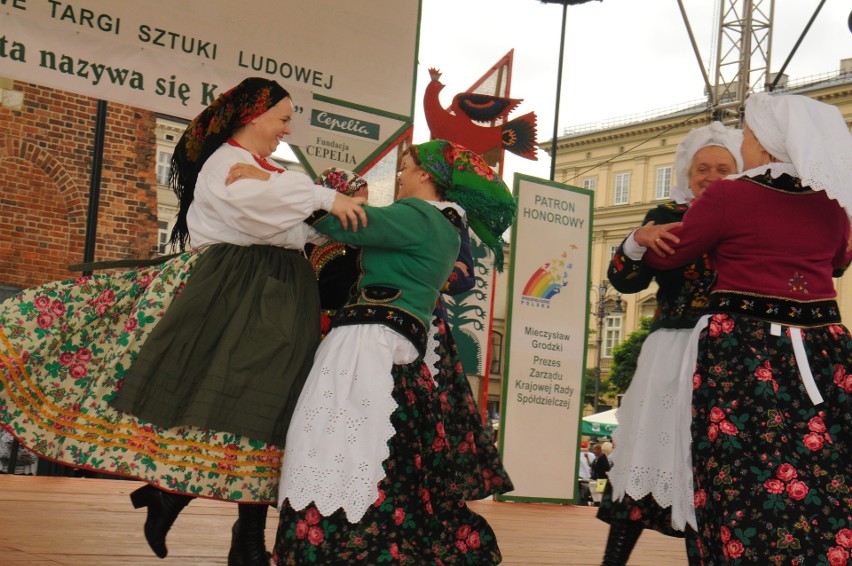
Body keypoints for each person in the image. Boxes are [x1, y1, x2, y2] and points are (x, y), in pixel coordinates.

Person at [0, 77, 366, 564]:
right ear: (253, 116)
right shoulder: (228, 164)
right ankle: (225, 529)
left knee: (270, 405)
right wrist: (321, 197)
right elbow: (258, 212)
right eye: (282, 118)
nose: (286, 128)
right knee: (252, 396)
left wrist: (318, 208)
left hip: (276, 287)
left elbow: (291, 222)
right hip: (241, 286)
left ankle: (209, 519)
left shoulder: (261, 169)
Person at [274, 140, 516, 565]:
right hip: (398, 346)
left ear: (426, 174)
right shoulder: (447, 225)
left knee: (333, 444)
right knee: (381, 457)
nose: (401, 175)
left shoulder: (420, 214)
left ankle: (337, 550)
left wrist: (281, 186)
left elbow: (349, 224)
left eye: (406, 167)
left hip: (370, 342)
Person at [645, 93, 852, 564]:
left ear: (771, 143)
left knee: (739, 470)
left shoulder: (730, 194)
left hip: (744, 347)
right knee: (824, 467)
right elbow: (840, 259)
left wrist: (641, 241)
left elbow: (672, 253)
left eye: (752, 136)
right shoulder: (833, 200)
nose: (747, 146)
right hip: (822, 347)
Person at [599, 122, 743, 565]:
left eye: (723, 167)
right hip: (671, 349)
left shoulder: (749, 211)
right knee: (648, 448)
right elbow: (624, 281)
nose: (711, 175)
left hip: (729, 351)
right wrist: (635, 242)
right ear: (687, 170)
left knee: (709, 461)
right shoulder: (664, 215)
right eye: (702, 168)